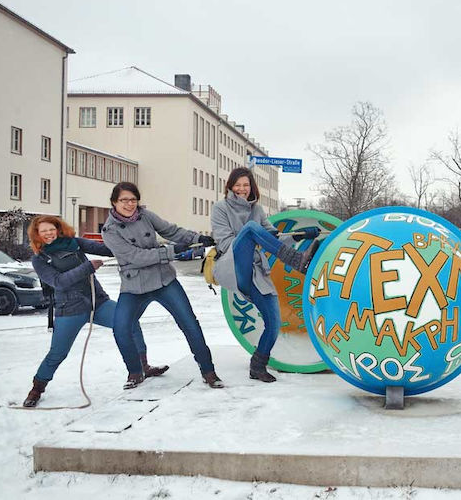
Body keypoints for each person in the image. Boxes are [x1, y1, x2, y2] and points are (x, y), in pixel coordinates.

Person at [23, 215, 167, 407]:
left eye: (51, 229)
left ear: (58, 229)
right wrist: (87, 267)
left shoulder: (74, 243)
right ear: (37, 235)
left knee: (130, 322)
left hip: (97, 302)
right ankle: (37, 388)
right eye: (44, 231)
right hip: (70, 309)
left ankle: (142, 367)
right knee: (58, 353)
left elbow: (106, 249)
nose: (49, 234)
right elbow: (59, 282)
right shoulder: (40, 259)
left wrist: (134, 246)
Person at [101, 182, 222, 390]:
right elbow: (135, 257)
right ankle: (135, 372)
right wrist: (171, 252)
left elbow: (171, 231)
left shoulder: (146, 215)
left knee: (189, 324)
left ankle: (208, 371)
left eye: (133, 199)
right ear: (114, 202)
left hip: (164, 280)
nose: (129, 204)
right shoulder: (109, 230)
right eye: (124, 200)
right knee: (121, 328)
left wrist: (197, 238)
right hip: (134, 286)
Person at [211, 167, 321, 382]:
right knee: (251, 229)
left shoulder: (257, 210)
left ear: (252, 187)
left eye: (246, 185)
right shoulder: (220, 208)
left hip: (256, 273)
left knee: (274, 322)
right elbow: (225, 243)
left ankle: (258, 365)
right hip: (233, 264)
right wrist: (253, 238)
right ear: (230, 187)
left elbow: (274, 239)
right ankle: (298, 261)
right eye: (238, 185)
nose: (242, 189)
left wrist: (300, 235)